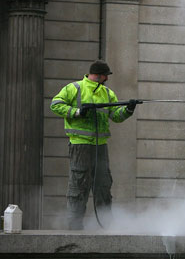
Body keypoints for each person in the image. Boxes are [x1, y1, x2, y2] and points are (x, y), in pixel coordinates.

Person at [50, 60, 137, 230]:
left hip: (100, 146)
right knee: (79, 185)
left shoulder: (107, 93)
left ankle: (106, 225)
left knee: (103, 185)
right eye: (106, 76)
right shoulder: (74, 88)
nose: (107, 79)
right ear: (99, 75)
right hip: (80, 145)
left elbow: (116, 116)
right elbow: (55, 104)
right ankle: (75, 226)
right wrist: (76, 112)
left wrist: (128, 109)